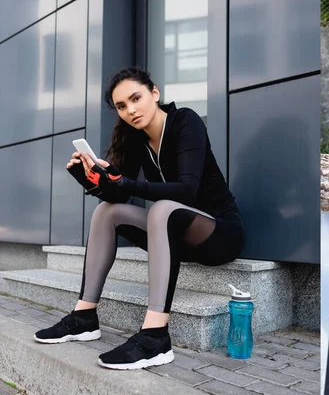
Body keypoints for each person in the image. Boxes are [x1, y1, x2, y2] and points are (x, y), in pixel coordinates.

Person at [33, 67, 245, 370]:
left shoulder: (186, 121)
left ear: (154, 94)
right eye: (122, 106)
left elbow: (186, 191)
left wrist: (126, 184)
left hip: (218, 234)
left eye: (136, 98)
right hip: (175, 238)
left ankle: (156, 337)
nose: (131, 110)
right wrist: (90, 181)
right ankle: (84, 317)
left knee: (162, 207)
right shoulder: (135, 139)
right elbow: (119, 195)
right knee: (108, 212)